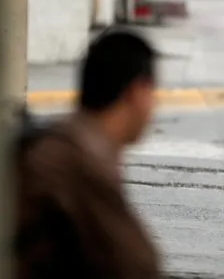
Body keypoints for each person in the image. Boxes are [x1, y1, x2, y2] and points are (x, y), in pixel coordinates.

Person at [14, 29, 162, 278]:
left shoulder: (72, 138)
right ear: (137, 92)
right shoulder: (81, 159)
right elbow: (137, 264)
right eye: (153, 94)